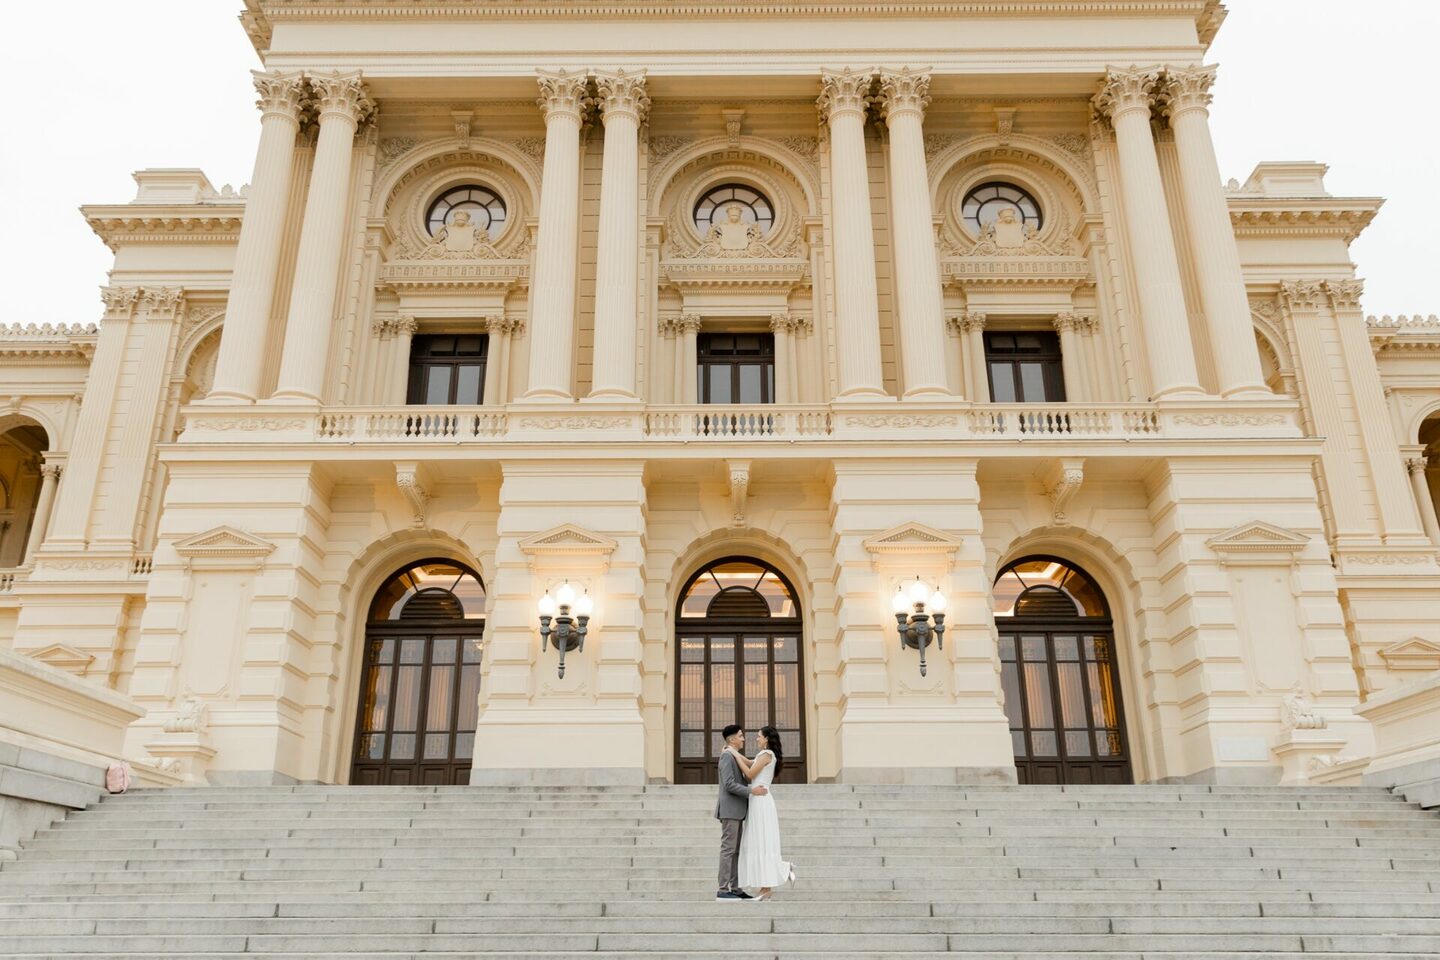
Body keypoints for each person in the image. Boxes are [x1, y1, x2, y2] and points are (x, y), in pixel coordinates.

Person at [727, 725, 797, 901]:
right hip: (757, 800)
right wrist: (733, 752)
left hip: (761, 800)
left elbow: (750, 773)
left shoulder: (768, 755)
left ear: (766, 738)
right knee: (759, 841)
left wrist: (733, 754)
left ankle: (767, 887)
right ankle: (769, 883)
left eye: (759, 736)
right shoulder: (763, 755)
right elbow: (750, 763)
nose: (756, 738)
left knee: (763, 841)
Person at [714, 724, 764, 901]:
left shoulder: (733, 756)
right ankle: (722, 889)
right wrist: (751, 791)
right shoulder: (727, 757)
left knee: (735, 851)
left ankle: (735, 888)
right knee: (728, 850)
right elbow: (728, 784)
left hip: (737, 810)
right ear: (732, 739)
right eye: (741, 736)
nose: (743, 739)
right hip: (730, 810)